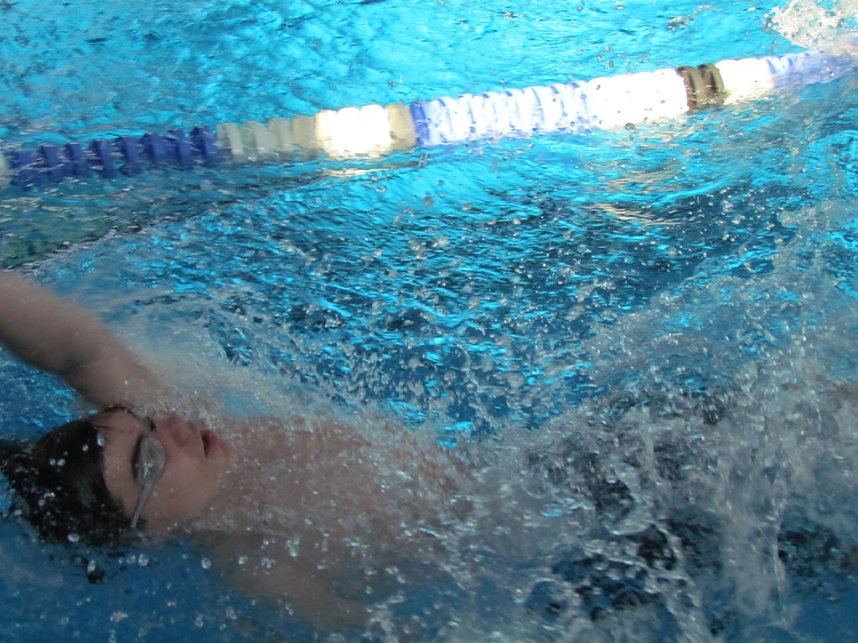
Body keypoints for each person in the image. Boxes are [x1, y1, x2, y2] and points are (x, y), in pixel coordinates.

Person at [0, 270, 471, 628]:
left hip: (494, 462)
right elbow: (392, 631)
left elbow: (76, 351)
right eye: (151, 460)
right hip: (503, 537)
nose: (175, 426)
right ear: (148, 535)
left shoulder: (195, 426)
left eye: (145, 419)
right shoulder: (265, 571)